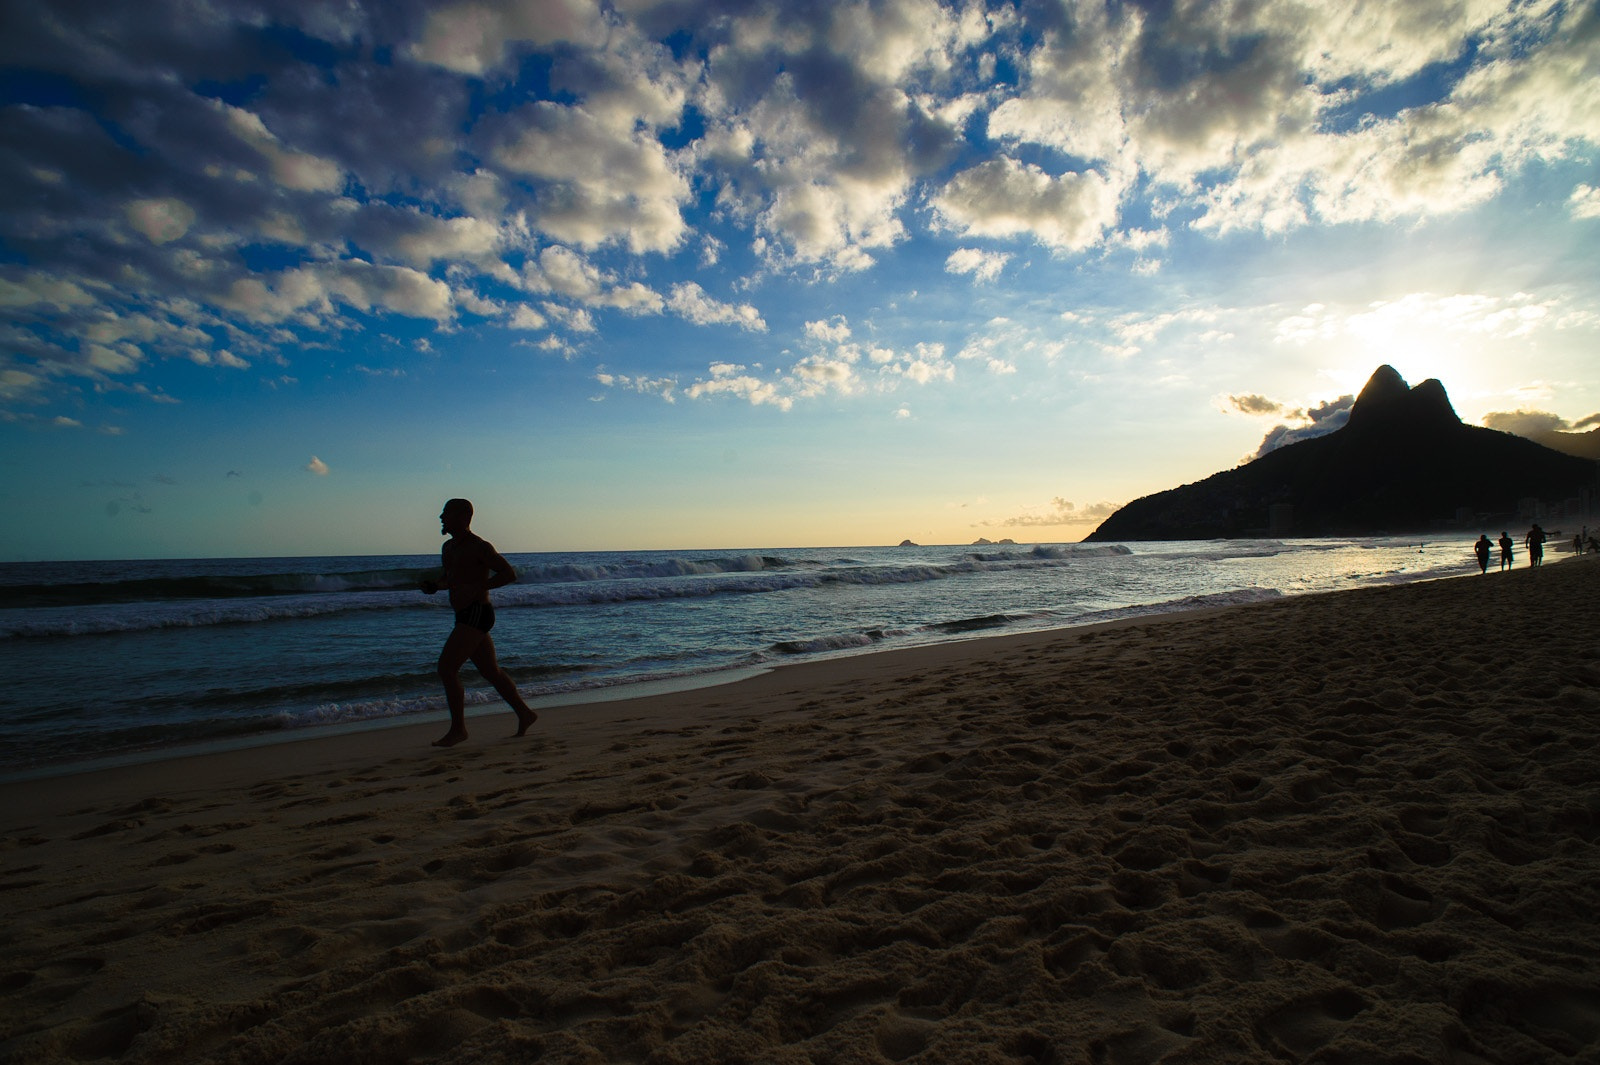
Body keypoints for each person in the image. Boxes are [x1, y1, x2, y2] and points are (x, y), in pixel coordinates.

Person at [420, 498, 537, 747]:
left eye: (446, 513)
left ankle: (459, 729)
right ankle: (525, 713)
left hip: (478, 613)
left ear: (463, 517)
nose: (441, 517)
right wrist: (435, 586)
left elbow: (509, 573)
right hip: (463, 615)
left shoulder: (479, 546)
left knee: (446, 668)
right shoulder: (448, 548)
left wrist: (477, 587)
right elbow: (449, 578)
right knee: (490, 671)